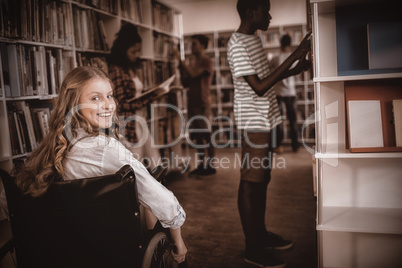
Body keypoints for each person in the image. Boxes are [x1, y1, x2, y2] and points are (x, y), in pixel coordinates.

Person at [15, 66, 187, 264]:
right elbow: (165, 203)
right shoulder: (106, 149)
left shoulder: (49, 149)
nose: (109, 105)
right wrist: (179, 243)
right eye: (96, 98)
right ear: (74, 104)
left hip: (67, 247)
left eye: (110, 96)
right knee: (151, 192)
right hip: (111, 247)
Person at [227, 0, 311, 267]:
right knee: (250, 182)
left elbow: (266, 77)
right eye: (267, 10)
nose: (270, 16)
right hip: (254, 123)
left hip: (269, 117)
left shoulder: (252, 38)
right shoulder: (237, 45)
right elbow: (260, 87)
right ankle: (252, 248)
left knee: (262, 179)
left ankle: (260, 235)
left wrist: (294, 69)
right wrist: (294, 55)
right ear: (252, 12)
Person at [107, 23, 160, 170]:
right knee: (137, 163)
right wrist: (147, 99)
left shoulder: (130, 68)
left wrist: (151, 93)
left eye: (139, 51)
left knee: (154, 159)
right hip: (129, 123)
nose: (137, 55)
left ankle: (156, 190)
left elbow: (135, 94)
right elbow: (120, 104)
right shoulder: (116, 71)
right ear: (122, 51)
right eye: (133, 52)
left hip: (141, 119)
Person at [176, 35, 216, 176]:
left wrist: (181, 61)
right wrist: (181, 68)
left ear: (203, 45)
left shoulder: (206, 61)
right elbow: (187, 82)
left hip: (202, 102)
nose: (191, 47)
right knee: (198, 135)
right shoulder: (193, 62)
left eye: (194, 44)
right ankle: (201, 164)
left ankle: (211, 166)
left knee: (206, 133)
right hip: (192, 102)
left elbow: (193, 74)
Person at [269, 34, 300, 152]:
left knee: (278, 121)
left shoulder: (276, 58)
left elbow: (267, 69)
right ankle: (295, 146)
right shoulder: (294, 57)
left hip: (278, 93)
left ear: (280, 44)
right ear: (290, 44)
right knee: (293, 121)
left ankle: (278, 146)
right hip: (291, 92)